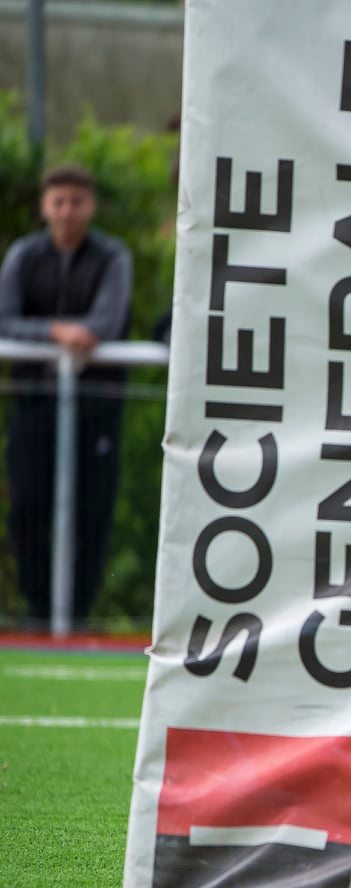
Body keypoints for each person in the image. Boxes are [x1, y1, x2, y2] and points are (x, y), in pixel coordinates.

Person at [0, 165, 133, 626]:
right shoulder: (23, 256)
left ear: (90, 206)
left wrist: (79, 335)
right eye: (59, 202)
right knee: (29, 507)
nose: (67, 212)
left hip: (96, 409)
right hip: (35, 404)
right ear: (44, 207)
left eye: (76, 202)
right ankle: (40, 613)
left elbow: (105, 325)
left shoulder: (112, 257)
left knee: (90, 513)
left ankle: (76, 616)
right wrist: (56, 332)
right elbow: (5, 319)